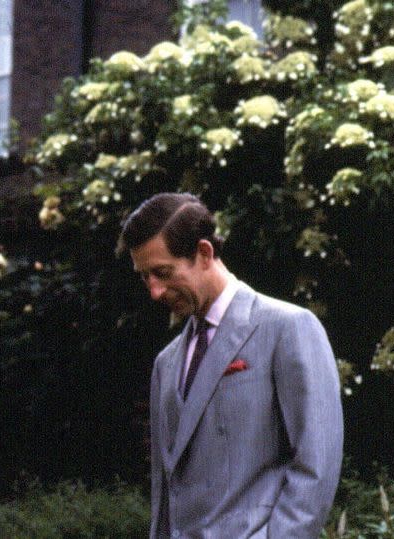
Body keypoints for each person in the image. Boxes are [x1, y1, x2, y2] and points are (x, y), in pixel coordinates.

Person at [118, 193, 343, 538]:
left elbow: (317, 462)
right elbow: (165, 495)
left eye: (162, 273)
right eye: (145, 277)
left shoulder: (287, 328)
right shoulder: (166, 363)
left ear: (204, 253)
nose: (155, 291)